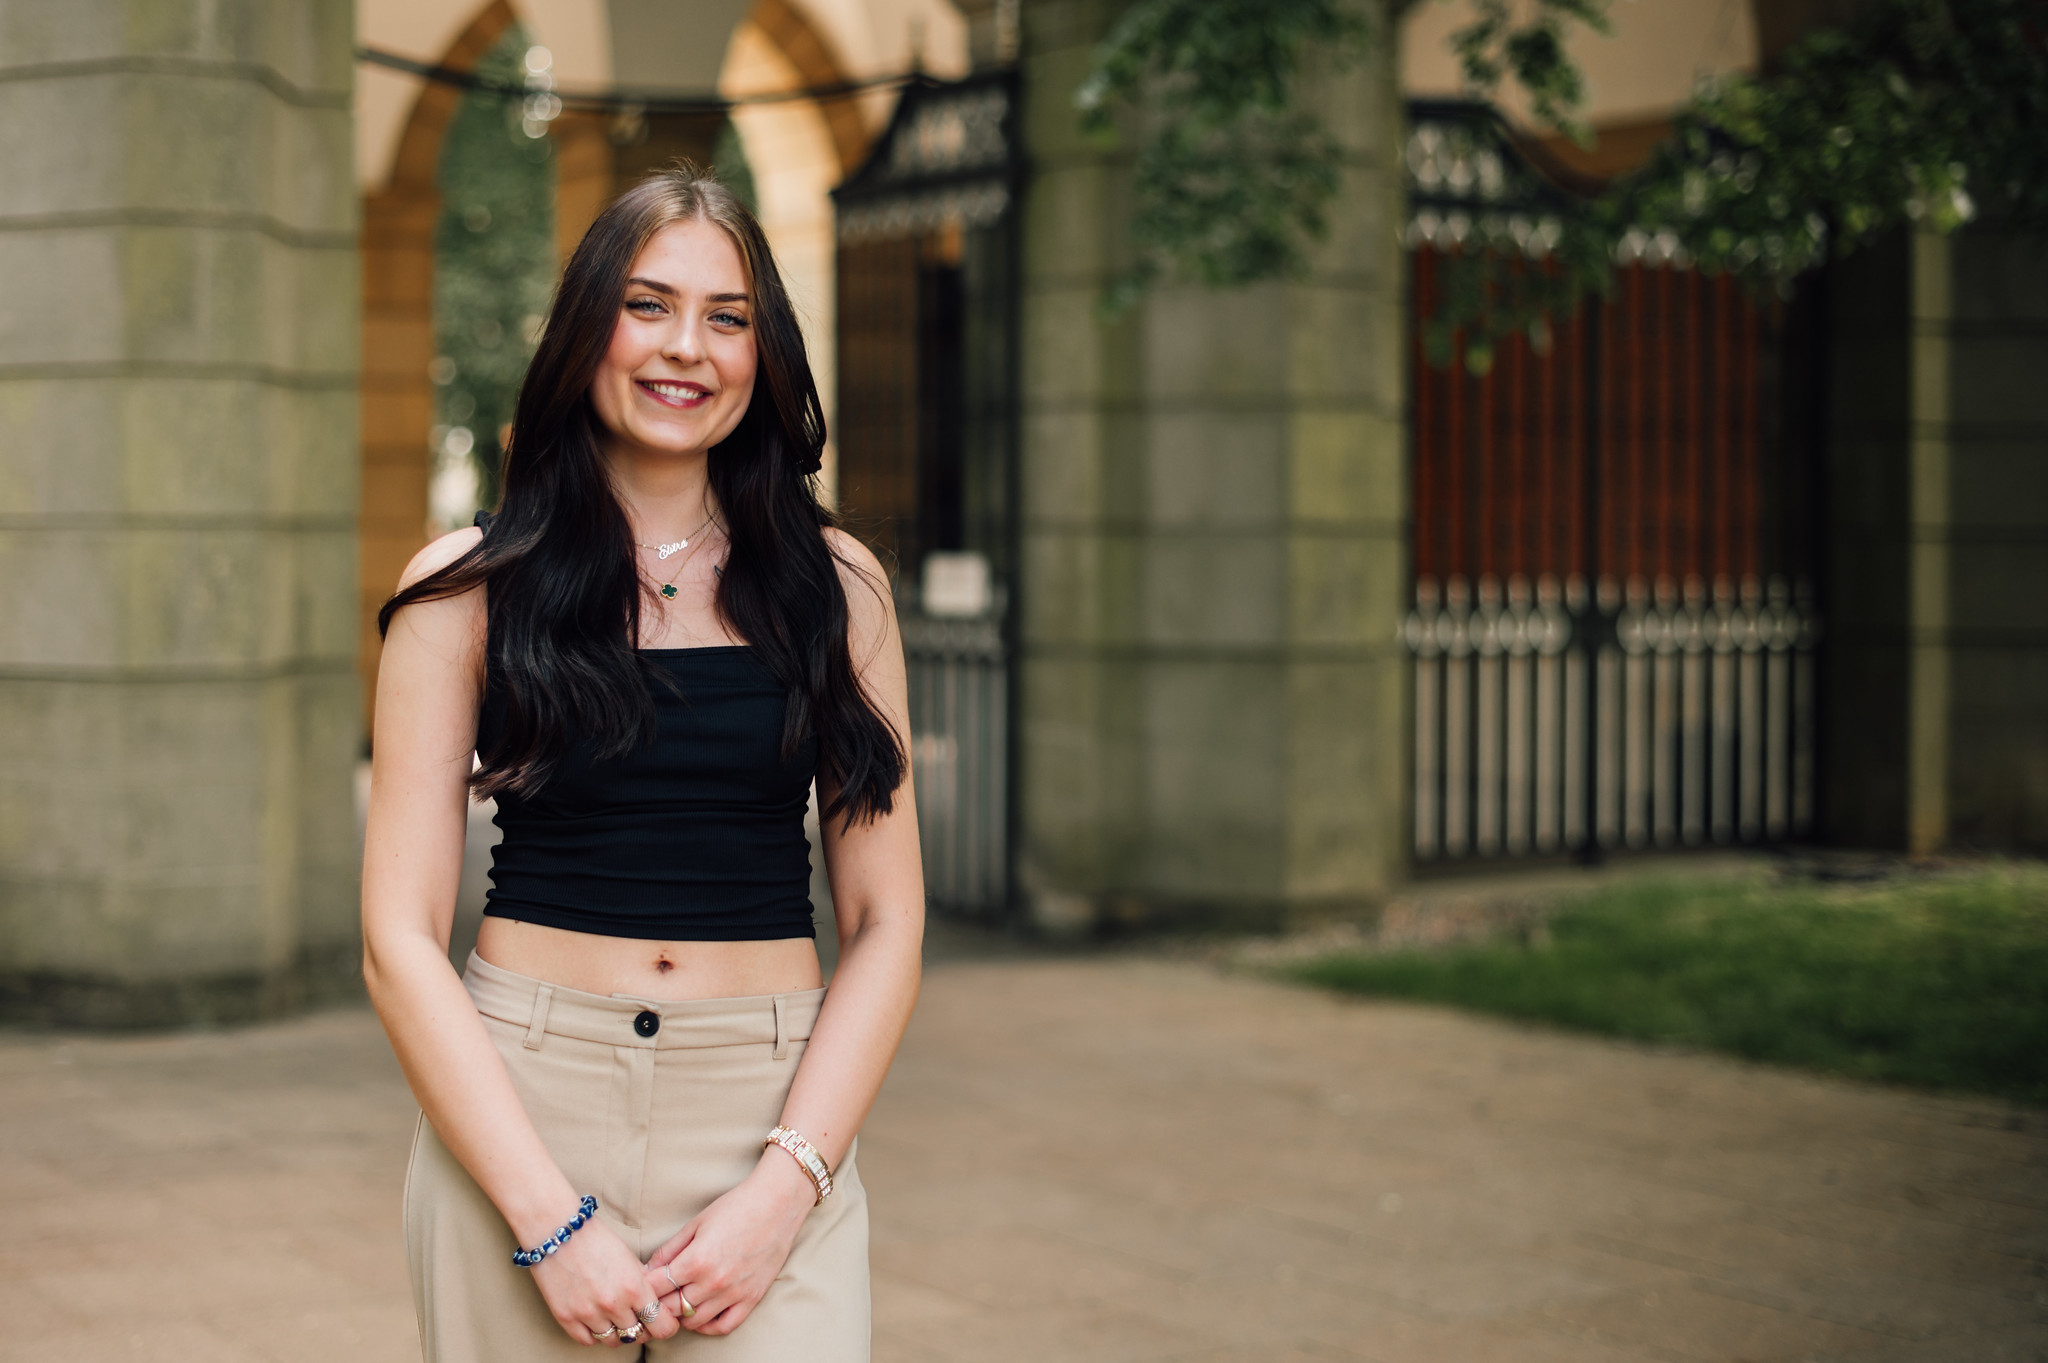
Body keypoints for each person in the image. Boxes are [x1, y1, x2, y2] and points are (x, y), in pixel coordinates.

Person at [362, 163, 922, 1360]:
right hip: (520, 1113)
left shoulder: (840, 586)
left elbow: (886, 923)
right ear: (584, 330)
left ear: (763, 353)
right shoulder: (463, 588)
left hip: (771, 1117)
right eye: (648, 304)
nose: (689, 348)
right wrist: (547, 1222)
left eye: (728, 318)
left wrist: (786, 1191)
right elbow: (398, 940)